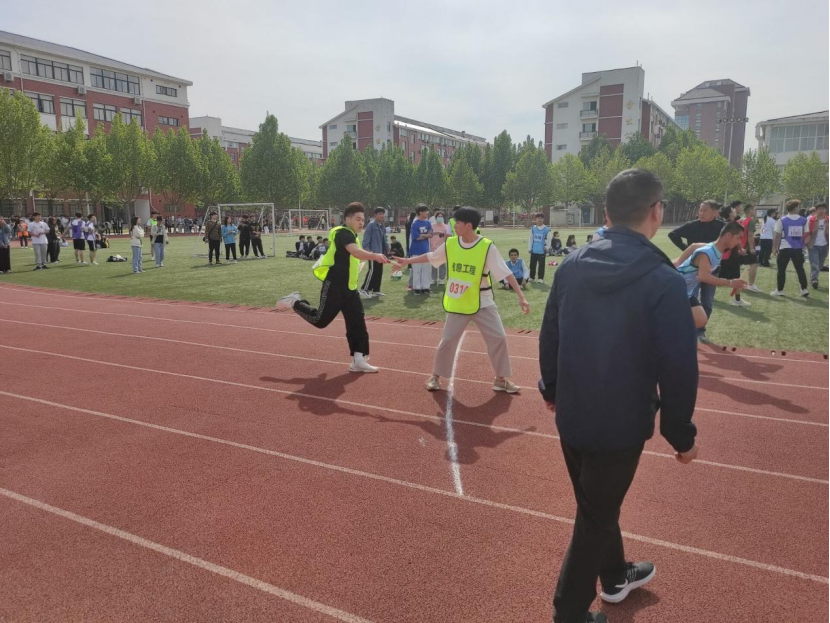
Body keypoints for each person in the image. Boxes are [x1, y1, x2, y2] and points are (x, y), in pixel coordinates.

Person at [540, 169, 699, 623]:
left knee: (596, 504)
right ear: (657, 212)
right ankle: (569, 614)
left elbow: (550, 334)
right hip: (621, 423)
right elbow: (678, 365)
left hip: (573, 414)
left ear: (606, 214)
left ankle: (613, 576)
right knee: (595, 514)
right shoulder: (664, 280)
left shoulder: (571, 266)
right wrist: (681, 435)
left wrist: (552, 389)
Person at [398, 207, 530, 394]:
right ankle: (435, 376)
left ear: (469, 225)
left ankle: (500, 380)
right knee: (448, 340)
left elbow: (505, 272)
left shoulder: (486, 246)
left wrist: (521, 296)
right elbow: (431, 256)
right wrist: (406, 261)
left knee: (499, 337)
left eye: (458, 222)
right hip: (458, 301)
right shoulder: (451, 243)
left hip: (482, 301)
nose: (454, 225)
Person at [276, 202, 396, 374]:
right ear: (347, 219)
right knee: (320, 320)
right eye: (358, 219)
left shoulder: (352, 236)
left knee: (358, 323)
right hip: (335, 286)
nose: (361, 223)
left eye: (363, 220)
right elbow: (355, 251)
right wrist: (374, 256)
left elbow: (353, 258)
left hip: (350, 289)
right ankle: (294, 302)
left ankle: (358, 360)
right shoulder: (343, 233)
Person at [668, 200, 725, 343]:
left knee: (707, 302)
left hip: (711, 270)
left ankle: (700, 331)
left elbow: (727, 242)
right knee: (687, 300)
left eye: (705, 210)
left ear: (715, 212)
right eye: (700, 210)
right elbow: (673, 234)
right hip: (691, 271)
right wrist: (687, 250)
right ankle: (685, 328)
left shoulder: (721, 227)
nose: (701, 213)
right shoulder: (692, 225)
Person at [675, 221, 749, 330]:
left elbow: (694, 246)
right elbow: (703, 276)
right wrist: (730, 283)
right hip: (675, 290)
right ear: (728, 235)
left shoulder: (715, 249)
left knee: (700, 320)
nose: (740, 242)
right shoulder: (708, 251)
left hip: (686, 291)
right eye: (739, 238)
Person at [772, 199, 810, 298]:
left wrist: (774, 248)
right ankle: (804, 289)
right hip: (798, 248)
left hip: (785, 247)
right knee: (800, 269)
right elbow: (806, 235)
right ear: (796, 208)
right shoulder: (804, 220)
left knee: (781, 269)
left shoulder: (781, 220)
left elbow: (776, 235)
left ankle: (780, 290)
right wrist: (804, 245)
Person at [361, 207, 390, 298]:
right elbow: (366, 240)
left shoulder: (382, 226)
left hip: (380, 253)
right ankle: (364, 289)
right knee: (372, 271)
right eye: (380, 214)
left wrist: (387, 247)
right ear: (375, 215)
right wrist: (368, 251)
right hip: (373, 253)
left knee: (379, 272)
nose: (382, 216)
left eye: (383, 214)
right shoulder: (371, 225)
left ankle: (376, 290)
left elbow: (384, 238)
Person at [409, 205, 434, 295]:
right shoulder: (415, 223)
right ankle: (417, 288)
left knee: (426, 270)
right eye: (425, 211)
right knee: (417, 270)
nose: (427, 213)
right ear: (420, 212)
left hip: (426, 250)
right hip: (416, 250)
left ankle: (425, 287)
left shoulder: (428, 223)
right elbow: (417, 237)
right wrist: (426, 235)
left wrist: (423, 235)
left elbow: (431, 234)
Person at [737, 205, 762, 295]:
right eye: (753, 210)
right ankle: (751, 285)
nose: (754, 212)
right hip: (747, 247)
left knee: (738, 265)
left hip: (739, 246)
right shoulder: (750, 221)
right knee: (754, 264)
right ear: (750, 211)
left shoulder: (740, 220)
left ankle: (735, 283)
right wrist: (751, 247)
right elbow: (750, 235)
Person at [806, 203, 828, 289]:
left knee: (820, 264)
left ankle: (813, 277)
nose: (821, 211)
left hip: (825, 245)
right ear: (816, 210)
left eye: (823, 209)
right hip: (813, 245)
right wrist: (806, 242)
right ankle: (814, 279)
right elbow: (806, 232)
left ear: (826, 210)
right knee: (814, 263)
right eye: (819, 209)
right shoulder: (811, 220)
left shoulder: (828, 220)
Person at [528, 213, 552, 284]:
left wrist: (547, 247)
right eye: (538, 218)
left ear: (543, 219)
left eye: (541, 218)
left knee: (541, 265)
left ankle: (540, 278)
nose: (540, 219)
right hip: (534, 250)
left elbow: (549, 239)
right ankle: (531, 277)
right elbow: (530, 239)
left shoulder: (547, 229)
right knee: (532, 264)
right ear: (535, 219)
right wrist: (529, 248)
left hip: (542, 251)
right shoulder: (533, 229)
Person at [430, 210, 452, 286]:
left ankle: (442, 279)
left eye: (441, 216)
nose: (440, 217)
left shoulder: (446, 226)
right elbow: (429, 234)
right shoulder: (432, 226)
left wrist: (444, 234)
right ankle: (434, 279)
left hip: (442, 247)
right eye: (439, 216)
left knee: (442, 264)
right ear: (436, 218)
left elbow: (449, 235)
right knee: (434, 264)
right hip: (433, 247)